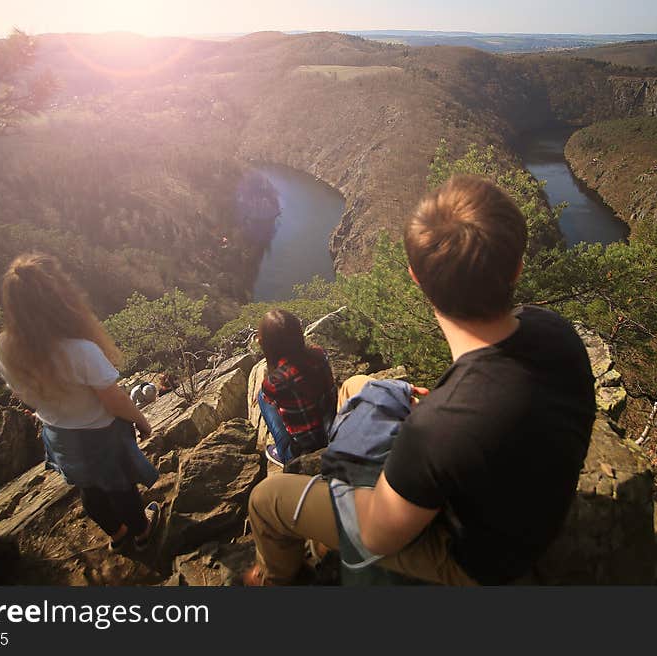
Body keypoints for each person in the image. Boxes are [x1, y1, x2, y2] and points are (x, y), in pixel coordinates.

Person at [244, 175, 596, 585]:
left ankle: (279, 578)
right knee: (357, 386)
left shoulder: (438, 429)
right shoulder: (556, 332)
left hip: (477, 564)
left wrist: (344, 485)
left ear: (416, 278)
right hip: (525, 504)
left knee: (266, 500)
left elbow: (377, 534)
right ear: (517, 265)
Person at [0, 253, 160, 553]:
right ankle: (143, 533)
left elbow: (20, 394)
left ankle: (118, 534)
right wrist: (141, 420)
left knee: (88, 488)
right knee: (121, 488)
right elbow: (115, 399)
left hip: (58, 435)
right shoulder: (79, 351)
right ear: (59, 299)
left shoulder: (4, 347)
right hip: (101, 435)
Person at [256, 309, 336, 467]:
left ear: (266, 344)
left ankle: (285, 455)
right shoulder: (319, 354)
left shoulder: (274, 382)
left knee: (262, 398)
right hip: (330, 431)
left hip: (301, 450)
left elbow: (272, 398)